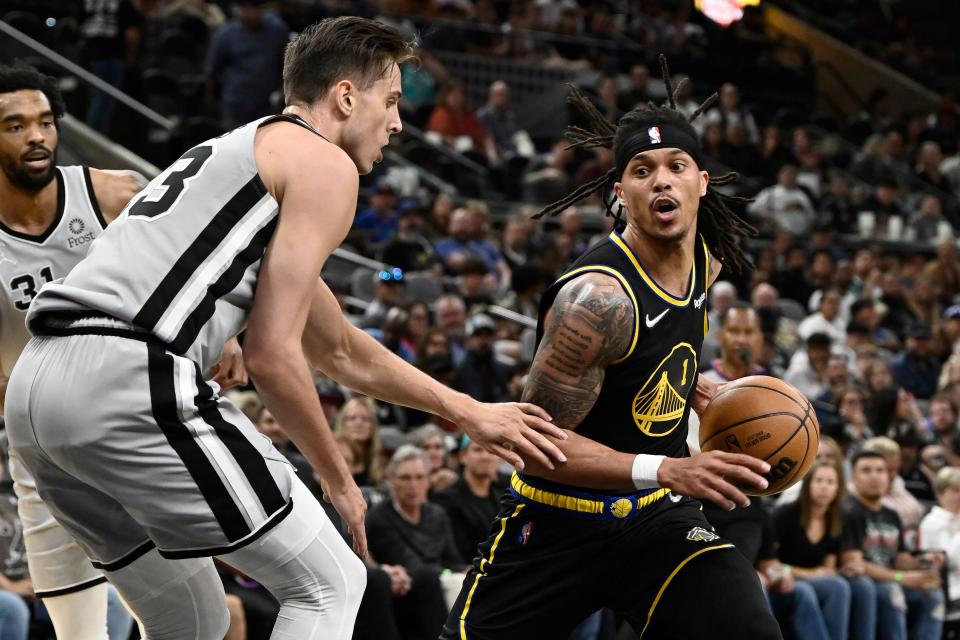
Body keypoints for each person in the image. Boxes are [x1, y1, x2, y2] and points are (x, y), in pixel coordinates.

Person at [5, 18, 565, 639]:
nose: (399, 123)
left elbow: (340, 349)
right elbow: (273, 356)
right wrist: (339, 477)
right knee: (331, 584)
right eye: (393, 101)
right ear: (347, 97)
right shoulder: (325, 163)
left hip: (36, 395)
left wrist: (466, 410)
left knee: (191, 620)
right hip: (127, 376)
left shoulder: (245, 153)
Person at [442, 62, 778, 639]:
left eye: (677, 166)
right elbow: (537, 445)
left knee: (748, 629)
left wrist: (699, 388)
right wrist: (668, 469)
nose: (662, 181)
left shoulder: (709, 257)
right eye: (642, 171)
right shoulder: (597, 301)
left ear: (702, 180)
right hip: (556, 522)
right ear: (621, 193)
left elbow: (653, 354)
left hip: (656, 522)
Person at [0, 62, 150, 640]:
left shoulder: (114, 194)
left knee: (183, 620)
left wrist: (229, 337)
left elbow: (193, 267)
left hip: (133, 427)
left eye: (44, 122)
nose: (36, 136)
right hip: (42, 446)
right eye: (14, 126)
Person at [840, 450, 944, 640]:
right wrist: (901, 578)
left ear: (889, 477)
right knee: (891, 592)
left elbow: (899, 558)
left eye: (880, 470)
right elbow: (854, 563)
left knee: (932, 595)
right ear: (853, 477)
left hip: (892, 580)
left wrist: (923, 561)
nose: (875, 476)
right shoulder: (848, 511)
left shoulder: (891, 514)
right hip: (867, 585)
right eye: (866, 470)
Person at [773, 462, 853, 640]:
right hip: (780, 581)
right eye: (819, 480)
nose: (824, 487)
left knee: (839, 586)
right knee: (805, 591)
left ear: (838, 489)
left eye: (831, 482)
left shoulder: (836, 520)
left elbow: (827, 570)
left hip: (811, 581)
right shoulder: (785, 514)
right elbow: (769, 564)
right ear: (807, 484)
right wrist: (809, 574)